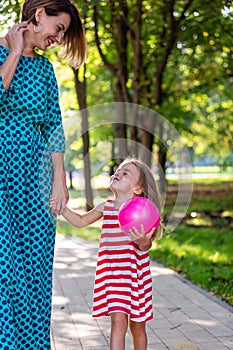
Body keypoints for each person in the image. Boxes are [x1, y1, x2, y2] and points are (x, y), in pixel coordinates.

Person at [0, 0, 86, 349]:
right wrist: (15, 51)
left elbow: (53, 126)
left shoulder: (46, 71)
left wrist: (59, 179)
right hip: (3, 176)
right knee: (6, 271)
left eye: (63, 33)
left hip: (35, 181)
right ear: (39, 15)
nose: (57, 38)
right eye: (59, 28)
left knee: (35, 270)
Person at [52, 158, 163, 350]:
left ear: (138, 188)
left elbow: (146, 246)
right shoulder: (107, 207)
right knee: (118, 322)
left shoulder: (142, 211)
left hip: (135, 278)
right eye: (118, 170)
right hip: (113, 276)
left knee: (137, 327)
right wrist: (62, 208)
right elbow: (80, 221)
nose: (118, 172)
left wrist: (144, 240)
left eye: (125, 172)